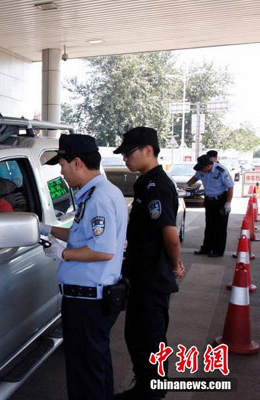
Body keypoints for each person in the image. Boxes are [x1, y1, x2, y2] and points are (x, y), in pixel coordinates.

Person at [39, 134, 128, 400]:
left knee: (84, 371)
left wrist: (62, 253)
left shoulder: (99, 197)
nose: (62, 172)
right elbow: (84, 236)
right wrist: (47, 229)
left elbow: (102, 250)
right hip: (91, 297)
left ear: (77, 162)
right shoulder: (97, 193)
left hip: (88, 300)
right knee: (96, 365)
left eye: (63, 165)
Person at [113, 127, 185, 400]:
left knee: (151, 337)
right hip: (140, 272)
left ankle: (152, 392)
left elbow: (170, 234)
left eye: (128, 153)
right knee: (136, 335)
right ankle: (144, 385)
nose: (125, 159)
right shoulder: (145, 182)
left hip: (153, 276)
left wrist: (176, 264)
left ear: (148, 150)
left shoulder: (159, 185)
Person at [188, 154, 234, 257]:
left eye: (202, 168)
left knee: (220, 227)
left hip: (221, 201)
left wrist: (228, 203)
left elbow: (230, 187)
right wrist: (186, 185)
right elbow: (194, 178)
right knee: (209, 226)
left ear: (209, 165)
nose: (201, 171)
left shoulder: (221, 171)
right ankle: (206, 248)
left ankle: (218, 250)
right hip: (209, 200)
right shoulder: (201, 170)